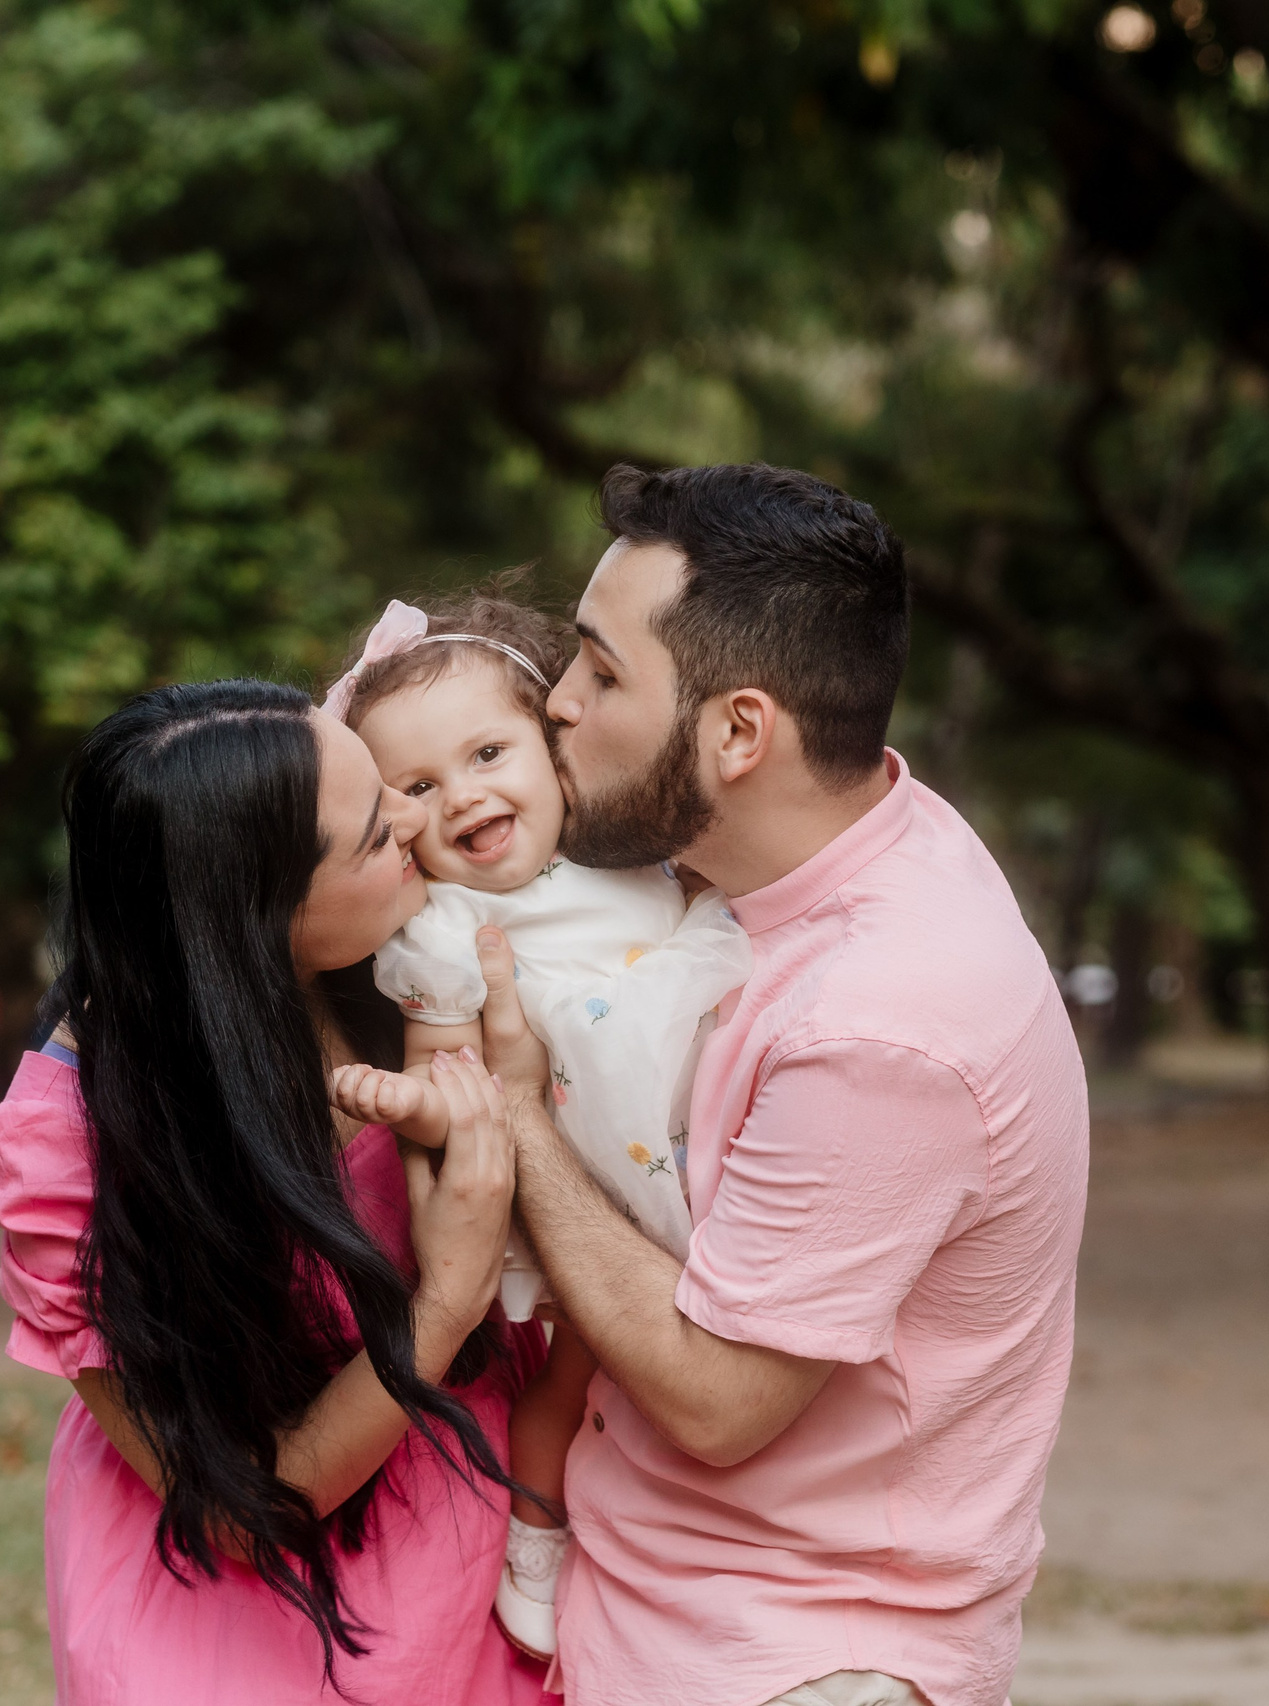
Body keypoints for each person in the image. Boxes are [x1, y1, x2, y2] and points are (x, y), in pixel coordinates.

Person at [479, 463, 1088, 1706]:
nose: (557, 703)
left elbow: (719, 1397)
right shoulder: (855, 840)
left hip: (792, 1656)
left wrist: (512, 1115)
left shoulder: (884, 1020)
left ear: (739, 732)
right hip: (673, 1618)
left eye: (601, 672)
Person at [0, 677, 553, 1705]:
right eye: (374, 831)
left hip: (468, 1547)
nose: (418, 817)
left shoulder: (407, 949)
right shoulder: (72, 1151)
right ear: (258, 920)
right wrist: (445, 1296)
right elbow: (240, 1502)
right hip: (241, 1612)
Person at [319, 588, 752, 1661]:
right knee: (570, 1378)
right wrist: (405, 1097)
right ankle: (538, 1529)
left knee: (715, 1371)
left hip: (715, 1157)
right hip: (586, 1195)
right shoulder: (445, 928)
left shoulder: (636, 852)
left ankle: (706, 1556)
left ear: (553, 747)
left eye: (486, 752)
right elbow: (446, 1078)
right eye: (417, 785)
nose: (461, 793)